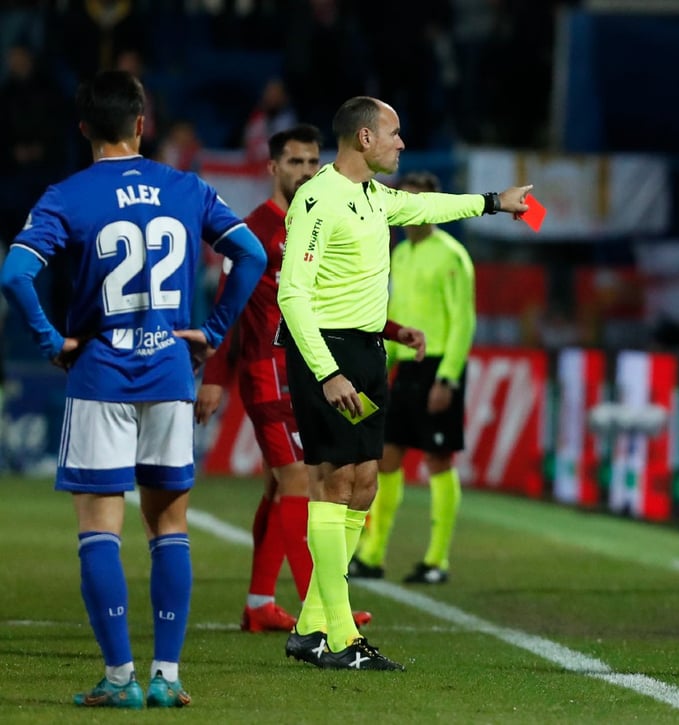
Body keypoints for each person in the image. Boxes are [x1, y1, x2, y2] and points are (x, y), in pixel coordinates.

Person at [0, 70, 267, 707]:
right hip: (170, 373)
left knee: (100, 528)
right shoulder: (187, 187)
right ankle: (167, 677)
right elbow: (252, 255)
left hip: (101, 374)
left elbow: (15, 273)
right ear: (142, 124)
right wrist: (213, 332)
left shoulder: (68, 195)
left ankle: (121, 678)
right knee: (169, 525)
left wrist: (50, 340)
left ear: (84, 128)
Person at [277, 95, 530, 671]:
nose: (402, 143)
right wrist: (327, 372)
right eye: (394, 133)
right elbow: (292, 293)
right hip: (328, 352)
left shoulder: (374, 196)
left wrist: (495, 202)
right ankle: (342, 637)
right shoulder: (319, 199)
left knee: (364, 484)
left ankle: (311, 626)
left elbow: (426, 207)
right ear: (365, 138)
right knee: (334, 483)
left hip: (368, 353)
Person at [195, 124, 368, 634]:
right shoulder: (253, 231)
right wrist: (215, 377)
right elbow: (228, 308)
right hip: (266, 371)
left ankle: (259, 605)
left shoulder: (318, 223)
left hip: (308, 370)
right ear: (273, 168)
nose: (306, 171)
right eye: (295, 162)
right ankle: (325, 610)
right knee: (299, 480)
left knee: (278, 486)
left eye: (313, 162)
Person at [349, 171, 476, 585]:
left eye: (418, 202)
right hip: (403, 367)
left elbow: (463, 321)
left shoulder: (452, 255)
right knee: (386, 458)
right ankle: (372, 554)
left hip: (437, 366)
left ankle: (437, 560)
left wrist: (448, 378)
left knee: (438, 459)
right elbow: (392, 313)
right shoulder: (399, 254)